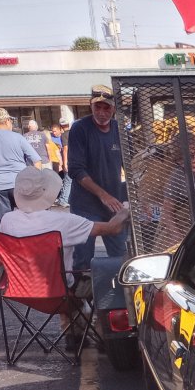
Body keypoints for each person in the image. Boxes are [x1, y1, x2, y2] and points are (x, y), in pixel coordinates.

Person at [0, 165, 129, 272]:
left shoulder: (7, 219)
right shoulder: (64, 221)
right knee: (101, 271)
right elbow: (114, 228)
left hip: (19, 288)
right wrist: (124, 211)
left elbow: (0, 261)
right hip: (58, 290)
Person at [67, 84, 128, 268]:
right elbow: (76, 169)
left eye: (106, 107)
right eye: (97, 107)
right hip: (85, 206)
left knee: (120, 255)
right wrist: (103, 195)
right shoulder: (80, 128)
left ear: (114, 108)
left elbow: (132, 166)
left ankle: (121, 294)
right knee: (83, 259)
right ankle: (81, 292)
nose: (102, 112)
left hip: (114, 205)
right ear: (90, 106)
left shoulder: (120, 130)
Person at [46, 122, 71, 206]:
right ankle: (62, 198)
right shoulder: (51, 140)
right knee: (62, 181)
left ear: (60, 130)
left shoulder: (63, 136)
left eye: (55, 131)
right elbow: (62, 151)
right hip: (56, 163)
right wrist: (63, 163)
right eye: (52, 131)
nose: (54, 133)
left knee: (64, 181)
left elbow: (64, 150)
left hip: (60, 163)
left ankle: (62, 197)